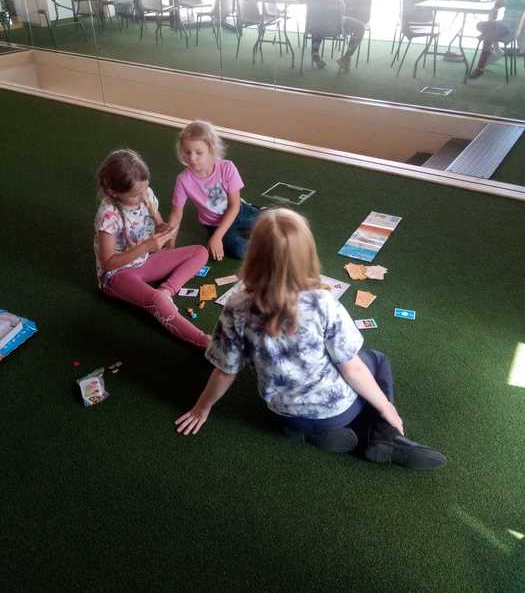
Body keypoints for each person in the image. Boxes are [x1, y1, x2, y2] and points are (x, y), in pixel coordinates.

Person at [176, 208, 446, 471]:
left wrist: (201, 409)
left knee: (310, 408)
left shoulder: (237, 306)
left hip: (282, 414)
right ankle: (385, 433)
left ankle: (309, 433)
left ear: (253, 254)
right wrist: (386, 407)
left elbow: (225, 371)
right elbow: (351, 367)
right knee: (375, 359)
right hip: (336, 412)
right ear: (306, 255)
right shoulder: (322, 302)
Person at [95, 148, 210, 348]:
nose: (143, 197)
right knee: (156, 300)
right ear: (113, 192)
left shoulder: (145, 194)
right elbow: (108, 263)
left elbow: (156, 223)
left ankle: (167, 290)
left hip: (146, 259)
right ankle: (203, 341)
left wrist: (163, 227)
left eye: (145, 189)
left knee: (200, 252)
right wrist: (146, 246)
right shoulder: (109, 215)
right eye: (136, 195)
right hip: (118, 273)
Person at [168, 120, 261, 261]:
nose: (192, 158)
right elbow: (176, 214)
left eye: (199, 152)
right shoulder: (183, 180)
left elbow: (234, 206)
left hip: (239, 210)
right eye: (187, 152)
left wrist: (217, 238)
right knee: (239, 250)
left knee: (273, 224)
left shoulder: (227, 168)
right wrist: (170, 246)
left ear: (211, 149)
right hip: (213, 224)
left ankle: (257, 210)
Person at [296, 0, 365, 73]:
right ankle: (346, 58)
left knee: (319, 21)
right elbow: (342, 8)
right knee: (361, 28)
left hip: (312, 26)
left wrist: (310, 0)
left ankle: (315, 53)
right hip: (333, 28)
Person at [471, 0, 525, 78]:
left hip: (515, 29)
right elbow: (497, 5)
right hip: (503, 24)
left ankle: (481, 66)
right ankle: (489, 57)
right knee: (481, 25)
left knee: (490, 30)